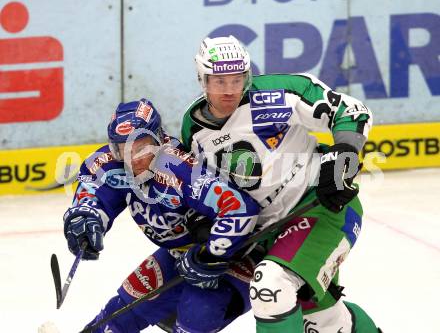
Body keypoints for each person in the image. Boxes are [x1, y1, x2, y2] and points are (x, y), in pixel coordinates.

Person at [180, 35, 381, 332]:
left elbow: (352, 112)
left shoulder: (279, 92)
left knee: (270, 287)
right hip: (268, 231)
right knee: (320, 317)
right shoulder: (193, 127)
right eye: (219, 81)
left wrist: (342, 160)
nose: (229, 90)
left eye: (237, 80)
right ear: (202, 79)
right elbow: (203, 185)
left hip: (322, 207)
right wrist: (203, 222)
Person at [63, 98, 262, 332]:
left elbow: (239, 208)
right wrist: (86, 217)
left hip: (234, 254)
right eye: (122, 149)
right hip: (178, 255)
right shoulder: (111, 165)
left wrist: (212, 253)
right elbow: (93, 190)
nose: (133, 158)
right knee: (120, 314)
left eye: (141, 147)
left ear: (158, 138)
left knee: (196, 314)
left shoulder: (180, 168)